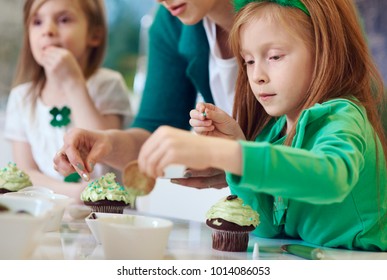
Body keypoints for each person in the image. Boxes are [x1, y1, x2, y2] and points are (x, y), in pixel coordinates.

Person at [135, 0, 387, 251]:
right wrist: (237, 149)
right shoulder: (275, 132)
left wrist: (223, 153)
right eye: (248, 61)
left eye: (275, 56)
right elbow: (264, 225)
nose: (257, 76)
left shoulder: (342, 116)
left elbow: (331, 178)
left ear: (323, 53)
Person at [53, 0, 237, 189]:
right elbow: (153, 132)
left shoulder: (268, 13)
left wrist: (232, 157)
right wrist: (108, 144)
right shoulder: (171, 22)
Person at [4, 0, 131, 202]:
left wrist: (73, 83)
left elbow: (104, 153)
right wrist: (74, 194)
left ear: (94, 35)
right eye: (37, 22)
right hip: (46, 214)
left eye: (63, 20)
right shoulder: (22, 98)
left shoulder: (107, 84)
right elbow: (26, 173)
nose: (48, 30)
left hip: (105, 219)